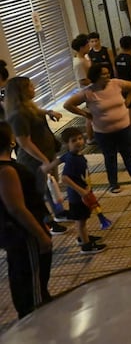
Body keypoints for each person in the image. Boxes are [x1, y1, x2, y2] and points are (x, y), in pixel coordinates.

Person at [63, 64, 131, 194]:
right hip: (104, 132)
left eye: (108, 73)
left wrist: (128, 100)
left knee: (127, 153)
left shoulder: (116, 83)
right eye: (104, 74)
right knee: (110, 157)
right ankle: (113, 183)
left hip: (123, 127)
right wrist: (84, 114)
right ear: (96, 76)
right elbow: (68, 104)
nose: (107, 76)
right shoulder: (88, 92)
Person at [0, 121, 52, 319]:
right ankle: (36, 322)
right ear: (11, 141)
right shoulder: (7, 171)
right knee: (33, 287)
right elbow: (16, 208)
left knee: (25, 278)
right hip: (25, 234)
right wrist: (41, 235)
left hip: (16, 234)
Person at [4, 77, 68, 233]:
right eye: (30, 87)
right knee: (38, 191)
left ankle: (58, 212)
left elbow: (37, 112)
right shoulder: (18, 115)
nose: (34, 88)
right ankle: (47, 221)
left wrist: (49, 112)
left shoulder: (28, 107)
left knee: (50, 186)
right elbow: (24, 142)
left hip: (46, 153)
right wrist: (43, 160)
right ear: (21, 91)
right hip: (34, 160)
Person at [58, 127, 107, 254]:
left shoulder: (71, 155)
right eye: (74, 140)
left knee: (83, 219)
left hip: (81, 195)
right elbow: (64, 178)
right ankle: (86, 246)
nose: (79, 142)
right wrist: (81, 191)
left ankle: (82, 237)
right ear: (66, 144)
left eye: (80, 138)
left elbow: (60, 159)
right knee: (80, 222)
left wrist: (48, 166)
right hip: (78, 197)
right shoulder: (72, 159)